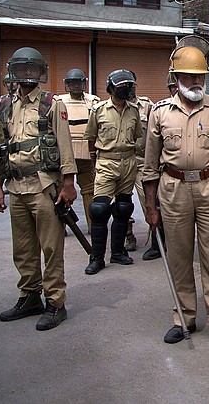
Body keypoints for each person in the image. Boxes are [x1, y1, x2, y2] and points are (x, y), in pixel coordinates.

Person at [143, 35, 209, 353]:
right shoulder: (160, 113)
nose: (195, 81)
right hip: (173, 189)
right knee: (178, 257)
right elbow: (149, 167)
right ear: (175, 79)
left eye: (200, 76)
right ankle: (184, 318)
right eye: (188, 76)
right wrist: (150, 206)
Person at [0, 47, 77, 331]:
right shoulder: (5, 104)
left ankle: (55, 303)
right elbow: (0, 149)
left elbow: (65, 147)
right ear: (13, 72)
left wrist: (69, 184)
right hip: (16, 186)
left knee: (52, 247)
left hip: (44, 187)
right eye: (21, 69)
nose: (27, 75)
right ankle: (30, 296)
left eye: (32, 69)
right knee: (24, 248)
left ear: (41, 73)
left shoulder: (52, 104)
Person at [82, 69, 142, 275]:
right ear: (111, 88)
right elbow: (91, 138)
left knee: (124, 208)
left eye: (129, 85)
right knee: (99, 210)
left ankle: (118, 252)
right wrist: (94, 162)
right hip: (106, 162)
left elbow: (136, 136)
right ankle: (97, 258)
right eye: (122, 86)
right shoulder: (98, 110)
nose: (127, 89)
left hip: (128, 162)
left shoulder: (134, 111)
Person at [57, 69, 100, 231]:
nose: (75, 86)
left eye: (78, 83)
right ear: (67, 84)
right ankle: (61, 226)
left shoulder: (93, 102)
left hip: (86, 153)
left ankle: (92, 226)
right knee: (62, 191)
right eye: (72, 83)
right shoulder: (59, 101)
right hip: (64, 153)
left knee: (89, 191)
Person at [142, 74, 177, 261]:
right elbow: (152, 154)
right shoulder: (161, 112)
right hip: (165, 174)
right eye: (174, 86)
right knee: (155, 208)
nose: (178, 89)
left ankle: (161, 244)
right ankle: (157, 245)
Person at [127, 83, 152, 252]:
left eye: (130, 85)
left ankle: (156, 241)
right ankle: (128, 236)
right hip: (122, 162)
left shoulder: (147, 106)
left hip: (143, 161)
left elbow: (155, 133)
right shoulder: (107, 108)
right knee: (122, 204)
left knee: (148, 201)